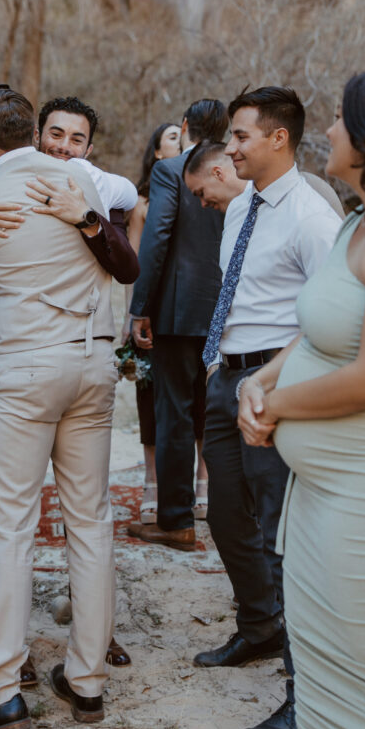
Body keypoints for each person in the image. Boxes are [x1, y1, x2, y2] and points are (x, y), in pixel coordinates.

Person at [0, 87, 139, 678]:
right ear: (35, 132)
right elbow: (121, 253)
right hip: (93, 371)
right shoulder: (86, 186)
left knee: (10, 528)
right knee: (90, 522)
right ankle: (87, 679)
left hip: (24, 372)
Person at [195, 86, 341, 729]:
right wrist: (218, 372)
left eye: (239, 137)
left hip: (274, 389)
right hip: (225, 379)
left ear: (277, 138)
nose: (228, 149)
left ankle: (303, 695)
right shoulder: (241, 206)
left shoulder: (311, 216)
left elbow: (326, 321)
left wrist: (268, 384)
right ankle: (257, 630)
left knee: (283, 536)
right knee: (225, 514)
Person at [237, 71, 365, 729]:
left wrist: (277, 409)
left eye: (343, 123)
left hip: (358, 501)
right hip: (317, 500)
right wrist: (259, 381)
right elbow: (317, 329)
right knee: (319, 670)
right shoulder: (352, 219)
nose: (330, 133)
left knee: (359, 668)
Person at [127, 99, 228, 551]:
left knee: (174, 414)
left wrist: (139, 307)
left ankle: (176, 522)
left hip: (176, 310)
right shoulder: (238, 167)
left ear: (185, 127)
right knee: (220, 412)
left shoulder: (171, 171)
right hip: (228, 309)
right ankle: (226, 513)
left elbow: (157, 238)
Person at [125, 122, 182, 523]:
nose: (184, 144)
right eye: (174, 139)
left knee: (193, 400)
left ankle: (202, 482)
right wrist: (132, 316)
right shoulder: (143, 203)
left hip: (190, 314)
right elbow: (133, 264)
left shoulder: (208, 194)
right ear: (158, 154)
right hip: (152, 313)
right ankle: (151, 480)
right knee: (150, 399)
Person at [185, 140, 345, 219]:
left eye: (201, 193)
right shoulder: (233, 217)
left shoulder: (312, 188)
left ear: (218, 174)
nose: (203, 204)